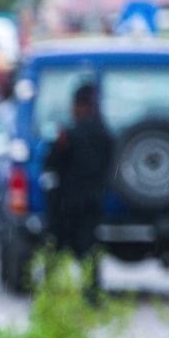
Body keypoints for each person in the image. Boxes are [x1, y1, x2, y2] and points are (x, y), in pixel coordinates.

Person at [41, 81, 113, 292]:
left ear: (79, 106)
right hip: (91, 203)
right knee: (89, 250)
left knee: (54, 249)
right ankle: (91, 294)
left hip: (66, 204)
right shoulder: (105, 134)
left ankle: (49, 293)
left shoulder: (68, 134)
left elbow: (52, 164)